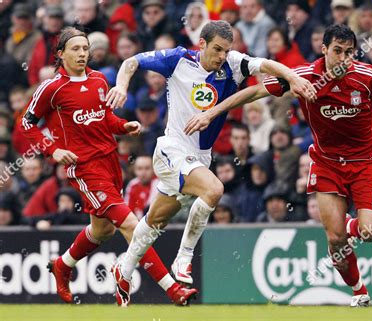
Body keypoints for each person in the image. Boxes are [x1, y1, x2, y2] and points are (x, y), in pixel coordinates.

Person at [184, 24, 372, 307]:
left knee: (370, 233)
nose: (343, 59)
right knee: (335, 241)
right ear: (324, 49)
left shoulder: (366, 77)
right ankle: (359, 290)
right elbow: (254, 93)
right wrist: (211, 112)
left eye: (349, 53)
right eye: (337, 51)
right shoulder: (303, 77)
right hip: (327, 164)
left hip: (365, 164)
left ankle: (346, 223)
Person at [105, 20, 316, 302]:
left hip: (199, 157)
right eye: (217, 49)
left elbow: (265, 64)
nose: (221, 56)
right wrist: (121, 86)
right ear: (201, 44)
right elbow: (131, 61)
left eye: (226, 50)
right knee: (214, 190)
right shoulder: (177, 59)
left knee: (154, 221)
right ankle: (184, 259)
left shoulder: (232, 63)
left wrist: (293, 78)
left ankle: (124, 267)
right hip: (172, 149)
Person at [20, 27, 196, 307]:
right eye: (75, 49)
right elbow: (27, 123)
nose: (82, 53)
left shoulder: (100, 80)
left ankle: (63, 265)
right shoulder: (52, 88)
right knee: (130, 224)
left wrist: (123, 126)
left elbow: (104, 120)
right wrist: (53, 150)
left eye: (85, 48)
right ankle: (172, 289)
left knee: (103, 231)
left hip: (111, 162)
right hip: (86, 168)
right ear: (61, 53)